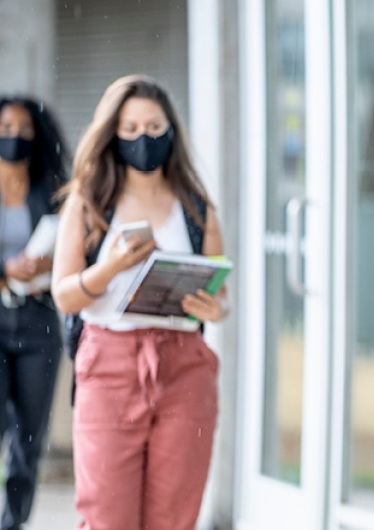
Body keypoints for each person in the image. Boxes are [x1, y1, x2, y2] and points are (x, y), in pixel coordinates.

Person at [51, 74, 228, 530]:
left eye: (153, 127)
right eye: (129, 129)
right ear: (111, 134)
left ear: (171, 131)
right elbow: (64, 294)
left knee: (174, 517)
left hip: (185, 365)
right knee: (107, 517)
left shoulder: (196, 206)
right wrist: (108, 267)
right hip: (108, 363)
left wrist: (217, 308)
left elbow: (219, 292)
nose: (142, 139)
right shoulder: (89, 202)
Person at [0, 96, 67, 530]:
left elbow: (82, 250)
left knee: (29, 435)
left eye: (24, 130)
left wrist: (50, 265)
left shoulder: (53, 188)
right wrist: (6, 269)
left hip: (39, 321)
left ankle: (12, 521)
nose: (14, 138)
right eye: (6, 129)